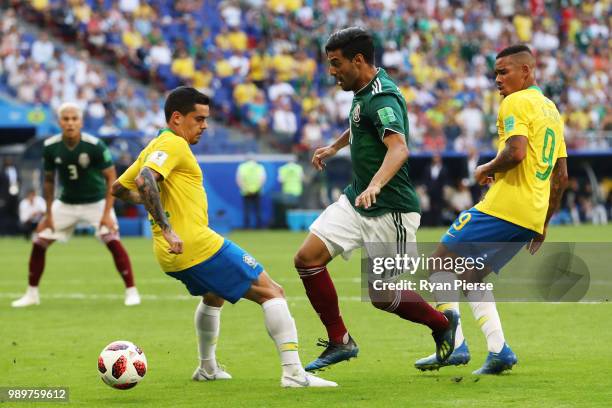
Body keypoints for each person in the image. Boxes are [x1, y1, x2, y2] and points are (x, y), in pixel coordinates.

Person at [111, 86, 336, 388]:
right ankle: (294, 374)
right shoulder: (173, 145)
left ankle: (207, 368)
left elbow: (120, 189)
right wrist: (167, 227)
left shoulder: (153, 147)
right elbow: (146, 179)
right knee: (273, 292)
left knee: (213, 296)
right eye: (198, 119)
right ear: (177, 118)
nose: (204, 126)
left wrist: (160, 210)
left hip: (171, 254)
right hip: (193, 243)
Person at [292, 27, 459, 372]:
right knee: (307, 258)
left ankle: (443, 325)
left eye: (336, 64)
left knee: (382, 295)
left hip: (390, 209)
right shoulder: (362, 89)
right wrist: (335, 147)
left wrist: (377, 184)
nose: (332, 71)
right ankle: (340, 340)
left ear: (358, 60)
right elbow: (359, 123)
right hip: (357, 200)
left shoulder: (383, 97)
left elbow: (399, 149)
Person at [414, 45, 569, 374]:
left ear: (526, 71)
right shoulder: (551, 110)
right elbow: (562, 176)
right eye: (495, 73)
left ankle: (453, 346)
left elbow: (515, 153)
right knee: (471, 275)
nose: (497, 79)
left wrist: (486, 167)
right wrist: (543, 223)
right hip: (530, 215)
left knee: (439, 262)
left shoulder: (516, 101)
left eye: (504, 72)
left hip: (506, 206)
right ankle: (499, 350)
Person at [11, 103, 140, 308]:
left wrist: (107, 213)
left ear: (80, 122)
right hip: (67, 203)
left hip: (96, 202)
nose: (70, 123)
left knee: (112, 240)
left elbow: (112, 179)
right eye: (66, 119)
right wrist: (49, 215)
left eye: (74, 119)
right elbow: (49, 181)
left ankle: (131, 291)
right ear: (59, 122)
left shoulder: (95, 145)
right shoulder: (51, 147)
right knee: (39, 241)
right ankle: (31, 294)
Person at [271, 159, 304, 229]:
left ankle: (287, 225)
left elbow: (280, 180)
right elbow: (302, 178)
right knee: (296, 211)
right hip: (297, 191)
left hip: (287, 191)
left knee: (287, 211)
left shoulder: (282, 168)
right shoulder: (298, 168)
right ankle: (296, 226)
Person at [236, 156, 266, 229]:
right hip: (257, 191)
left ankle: (247, 226)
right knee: (258, 209)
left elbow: (239, 179)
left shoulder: (242, 167)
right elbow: (262, 179)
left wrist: (244, 188)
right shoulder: (259, 167)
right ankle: (259, 226)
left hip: (246, 191)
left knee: (247, 210)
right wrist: (257, 188)